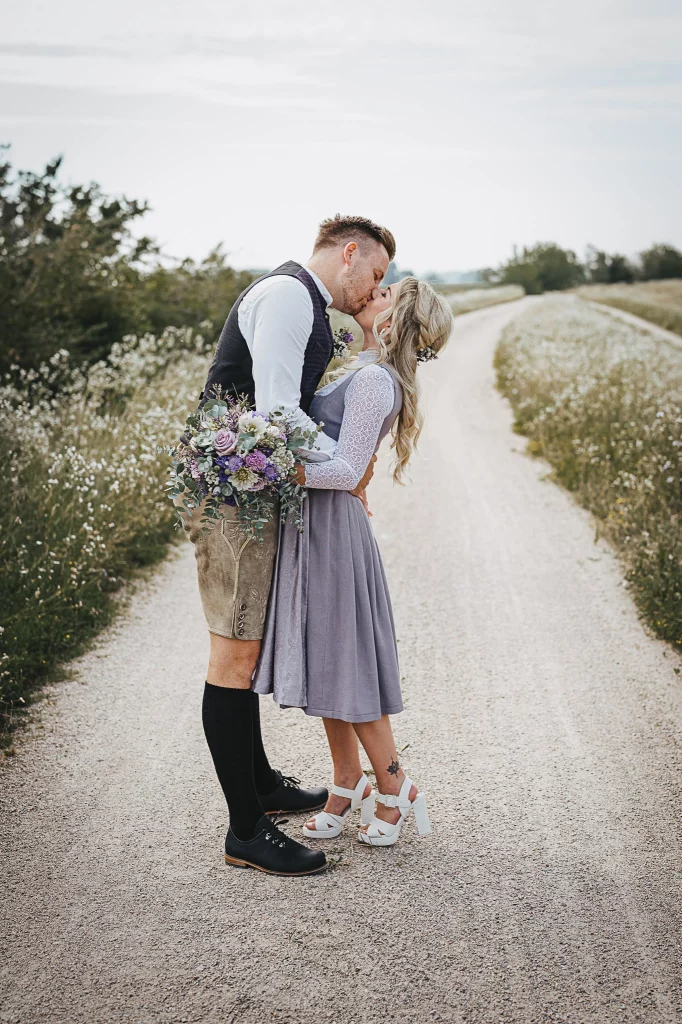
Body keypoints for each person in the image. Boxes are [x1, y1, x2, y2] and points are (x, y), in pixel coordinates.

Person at [187, 215, 396, 876]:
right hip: (232, 495)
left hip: (252, 488)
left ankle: (263, 785)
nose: (373, 288)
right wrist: (345, 466)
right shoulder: (285, 297)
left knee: (245, 649)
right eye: (376, 273)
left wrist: (341, 470)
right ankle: (245, 830)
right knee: (233, 655)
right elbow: (278, 410)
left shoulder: (305, 304)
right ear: (350, 252)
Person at [253, 276, 453, 848]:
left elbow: (343, 472)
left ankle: (394, 787)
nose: (376, 289)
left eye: (388, 293)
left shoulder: (371, 380)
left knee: (349, 663)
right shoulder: (359, 368)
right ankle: (346, 783)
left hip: (331, 533)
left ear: (394, 321)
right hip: (313, 527)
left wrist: (269, 468)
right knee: (326, 663)